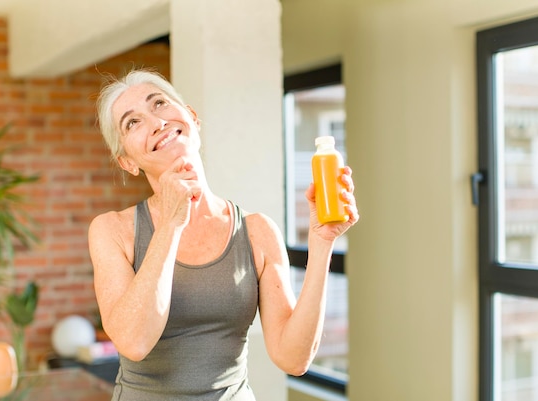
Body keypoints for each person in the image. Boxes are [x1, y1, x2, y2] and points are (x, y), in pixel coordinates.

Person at [88, 69, 359, 401]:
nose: (156, 121)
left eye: (159, 103)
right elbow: (134, 341)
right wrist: (172, 222)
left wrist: (322, 243)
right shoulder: (112, 230)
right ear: (127, 161)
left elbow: (293, 358)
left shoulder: (258, 232)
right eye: (133, 123)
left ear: (192, 118)